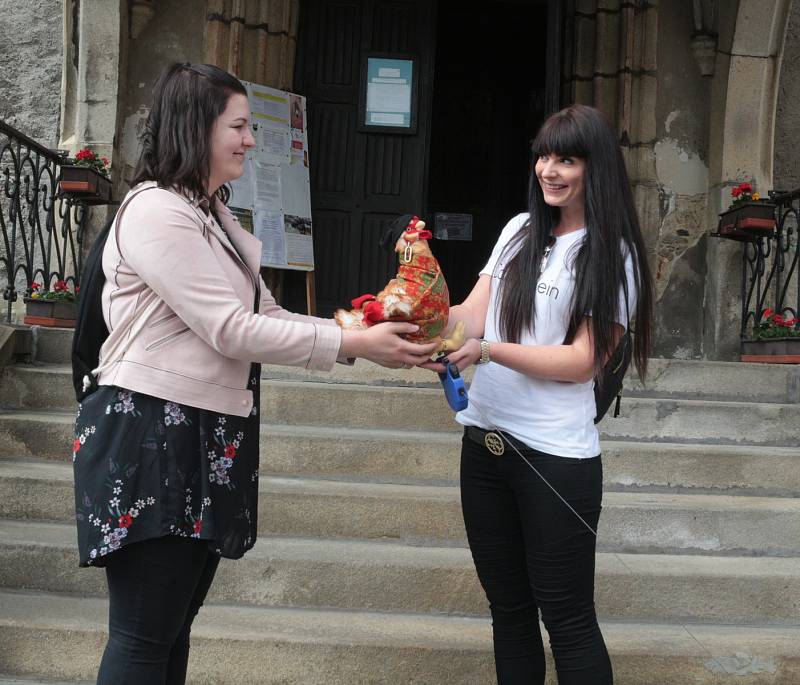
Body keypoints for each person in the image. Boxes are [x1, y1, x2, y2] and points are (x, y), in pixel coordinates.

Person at [72, 62, 436, 685]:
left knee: (171, 628)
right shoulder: (158, 211)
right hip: (152, 435)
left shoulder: (209, 212)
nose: (249, 140)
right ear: (197, 127)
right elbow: (231, 329)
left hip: (194, 432)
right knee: (142, 638)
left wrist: (357, 333)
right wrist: (355, 345)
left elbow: (263, 311)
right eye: (239, 126)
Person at [422, 104, 653, 684]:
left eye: (567, 159)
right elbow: (472, 316)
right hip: (486, 445)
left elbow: (581, 362)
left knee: (569, 620)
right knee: (510, 613)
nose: (550, 170)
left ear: (594, 167)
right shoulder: (518, 231)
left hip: (555, 456)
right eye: (545, 156)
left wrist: (489, 351)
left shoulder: (612, 252)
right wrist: (411, 320)